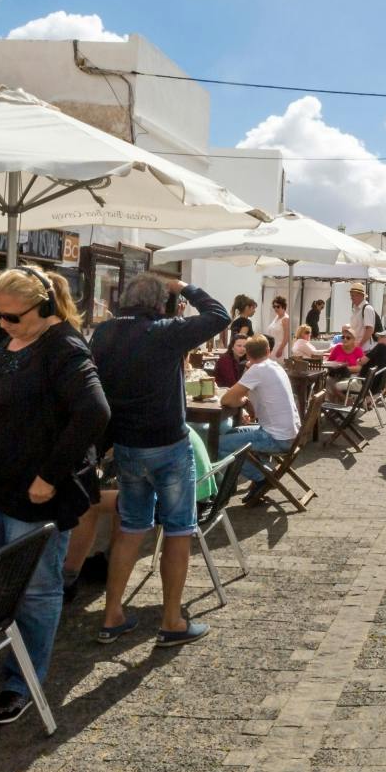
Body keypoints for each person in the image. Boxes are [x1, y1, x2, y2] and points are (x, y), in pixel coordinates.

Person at [0, 267, 109, 726]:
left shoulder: (64, 347)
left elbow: (94, 411)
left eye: (12, 317)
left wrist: (50, 475)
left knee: (34, 589)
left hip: (34, 493)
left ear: (45, 308)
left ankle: (21, 683)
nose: (3, 324)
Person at [90, 272, 230, 648]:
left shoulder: (104, 333)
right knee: (179, 529)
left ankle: (112, 615)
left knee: (132, 527)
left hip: (126, 445)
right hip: (167, 443)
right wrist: (184, 288)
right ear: (159, 303)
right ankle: (171, 620)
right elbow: (219, 315)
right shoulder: (164, 331)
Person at [217, 336, 300, 505]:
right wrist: (245, 399)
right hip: (291, 434)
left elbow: (226, 400)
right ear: (268, 351)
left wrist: (242, 399)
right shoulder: (274, 365)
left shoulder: (257, 370)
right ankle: (264, 471)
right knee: (232, 433)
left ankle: (262, 476)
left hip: (277, 438)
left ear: (247, 355)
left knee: (219, 444)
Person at [345, 284, 378, 351]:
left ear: (360, 295)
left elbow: (369, 330)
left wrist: (360, 345)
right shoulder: (356, 310)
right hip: (357, 347)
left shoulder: (367, 309)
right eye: (351, 295)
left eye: (353, 295)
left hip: (365, 349)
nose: (351, 298)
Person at [263, 295, 290, 362]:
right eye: (274, 307)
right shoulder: (276, 317)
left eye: (278, 306)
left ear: (283, 307)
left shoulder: (285, 319)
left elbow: (287, 337)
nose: (276, 308)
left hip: (280, 348)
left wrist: (280, 349)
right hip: (273, 348)